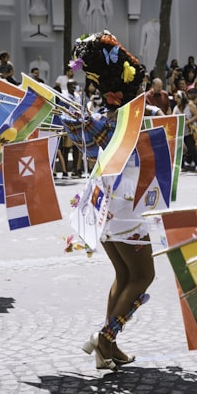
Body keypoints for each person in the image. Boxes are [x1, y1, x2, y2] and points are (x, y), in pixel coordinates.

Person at [66, 31, 154, 371]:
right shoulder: (127, 116)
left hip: (104, 199)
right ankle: (105, 338)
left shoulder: (113, 114)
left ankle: (108, 347)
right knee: (144, 275)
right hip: (124, 205)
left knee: (124, 272)